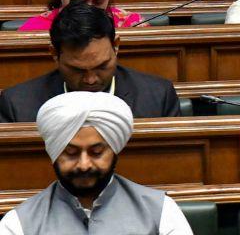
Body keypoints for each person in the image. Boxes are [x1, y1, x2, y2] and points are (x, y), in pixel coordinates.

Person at [0, 91, 193, 234]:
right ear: (54, 153)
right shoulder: (19, 224)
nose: (84, 164)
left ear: (114, 151)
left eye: (97, 152)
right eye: (70, 152)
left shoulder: (161, 212)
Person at [0, 0, 180, 122]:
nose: (90, 79)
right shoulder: (18, 106)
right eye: (77, 70)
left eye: (102, 66)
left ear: (116, 46)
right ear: (54, 54)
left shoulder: (157, 98)